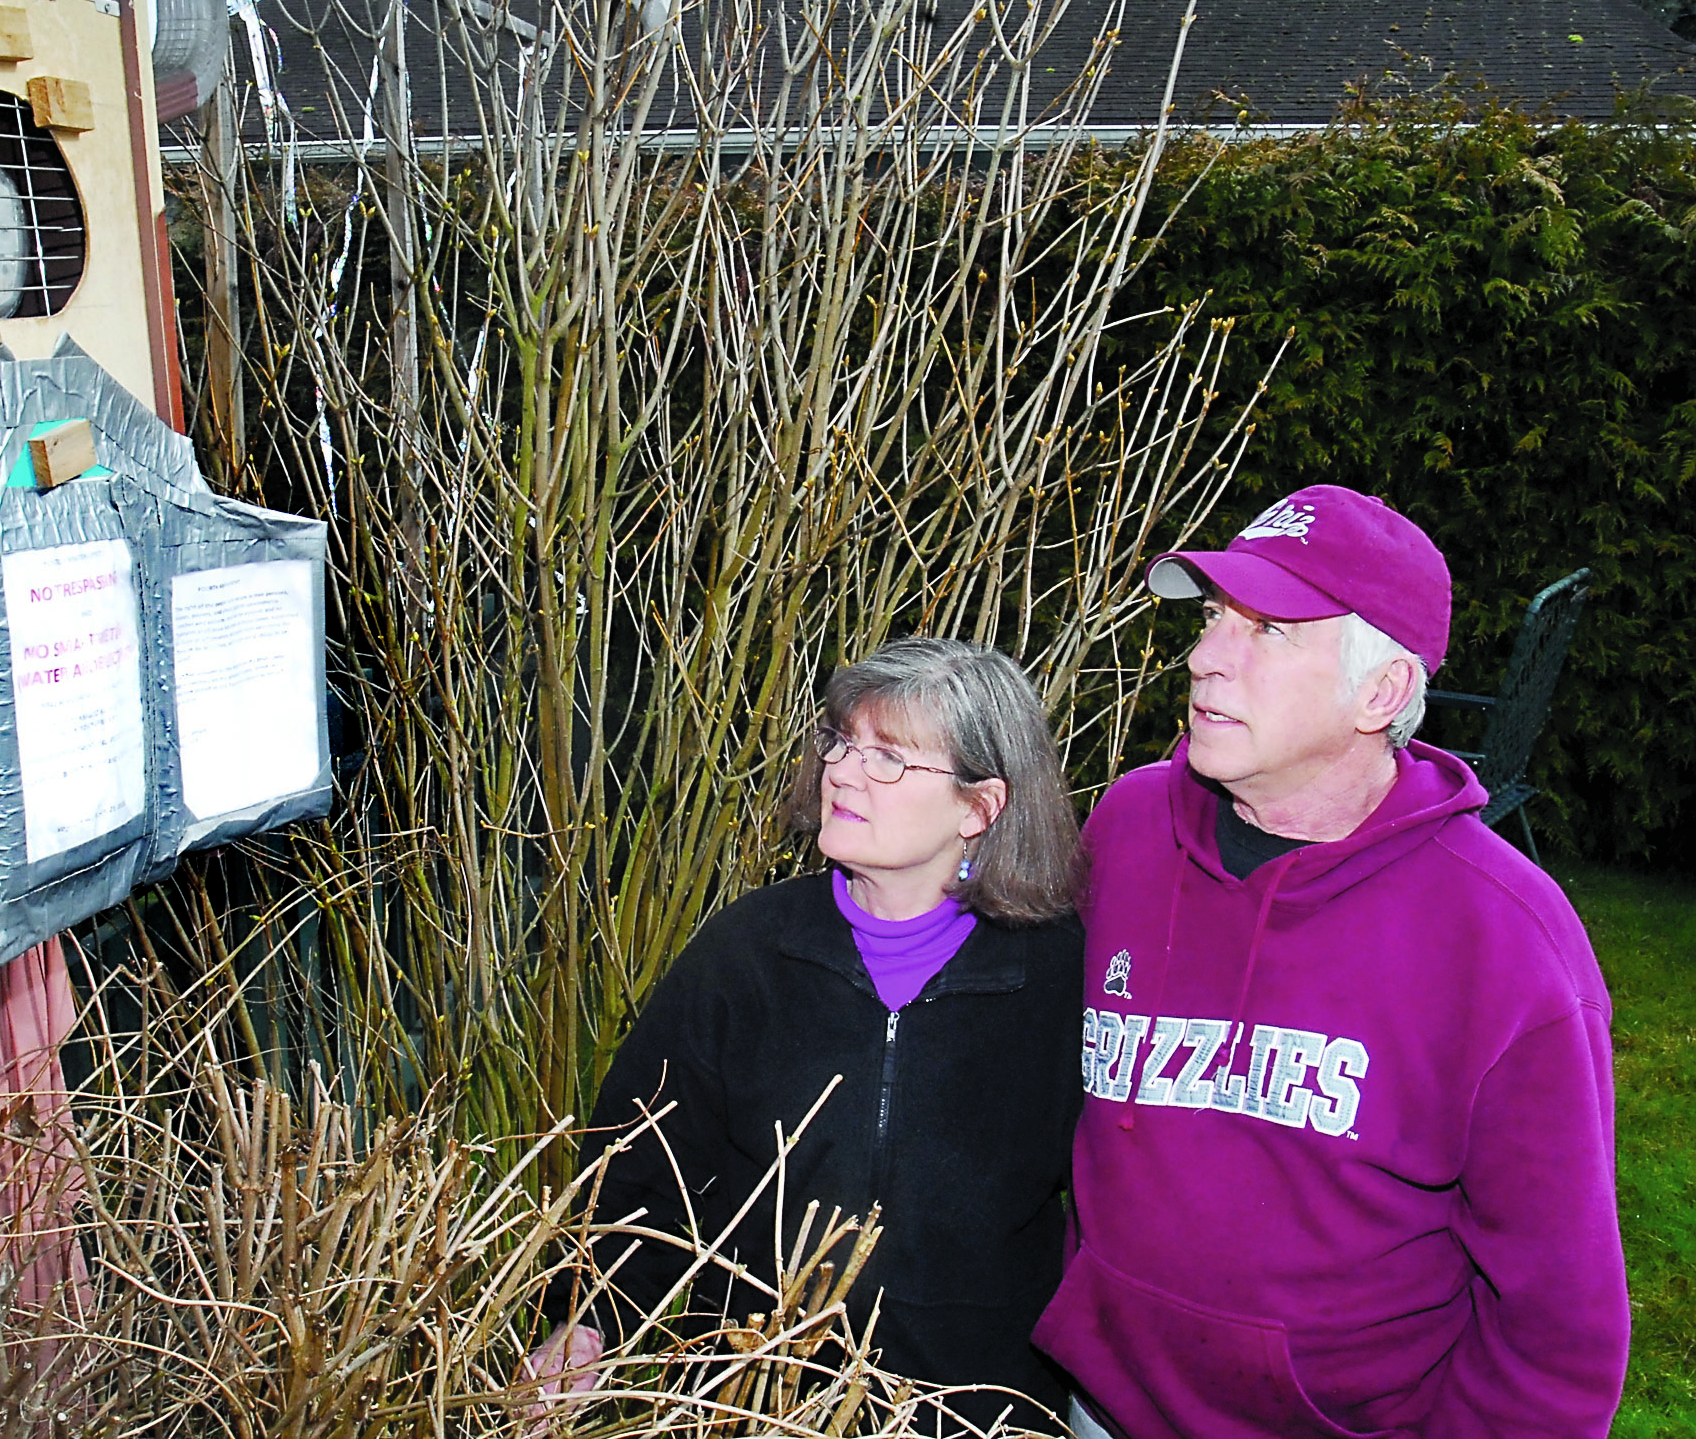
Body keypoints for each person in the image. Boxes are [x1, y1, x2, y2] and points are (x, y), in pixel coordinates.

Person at [1033, 485, 1628, 1439]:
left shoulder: (1504, 943)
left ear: (1380, 691)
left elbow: (1557, 1331)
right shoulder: (1130, 829)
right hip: (1096, 1407)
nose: (1204, 656)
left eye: (1268, 630)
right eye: (1215, 617)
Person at [524, 637, 1086, 1432]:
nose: (844, 773)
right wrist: (587, 1319)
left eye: (889, 758)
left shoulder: (1057, 976)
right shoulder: (748, 953)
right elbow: (641, 1165)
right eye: (841, 742)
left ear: (978, 807)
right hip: (754, 1395)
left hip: (976, 1408)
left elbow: (1121, 1198)